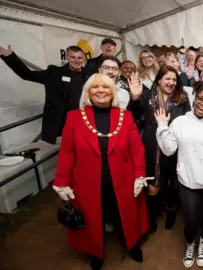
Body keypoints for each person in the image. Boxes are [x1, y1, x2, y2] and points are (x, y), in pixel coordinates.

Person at [52, 73, 149, 269]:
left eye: (105, 87)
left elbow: (137, 149)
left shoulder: (125, 116)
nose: (101, 91)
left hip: (122, 178)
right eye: (95, 87)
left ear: (112, 92)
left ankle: (132, 244)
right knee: (92, 217)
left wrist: (139, 175)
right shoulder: (74, 118)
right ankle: (94, 251)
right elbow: (67, 153)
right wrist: (61, 181)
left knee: (125, 215)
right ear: (88, 92)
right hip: (87, 180)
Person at [155, 82, 203, 268]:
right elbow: (169, 149)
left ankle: (202, 242)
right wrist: (163, 126)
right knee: (190, 220)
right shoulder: (180, 122)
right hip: (188, 181)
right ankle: (190, 243)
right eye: (200, 99)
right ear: (194, 98)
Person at [129, 65, 191, 232]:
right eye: (167, 79)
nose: (171, 82)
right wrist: (134, 99)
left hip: (174, 147)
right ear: (159, 79)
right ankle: (152, 216)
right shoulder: (147, 95)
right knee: (153, 186)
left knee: (172, 184)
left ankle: (171, 212)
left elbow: (188, 121)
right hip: (152, 147)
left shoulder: (182, 97)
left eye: (173, 79)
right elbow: (132, 116)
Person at [0, 45, 89, 144]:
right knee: (59, 153)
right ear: (67, 57)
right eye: (73, 57)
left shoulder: (90, 75)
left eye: (79, 57)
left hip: (82, 122)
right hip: (59, 124)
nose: (76, 60)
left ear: (83, 59)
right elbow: (27, 74)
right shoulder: (54, 73)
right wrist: (10, 57)